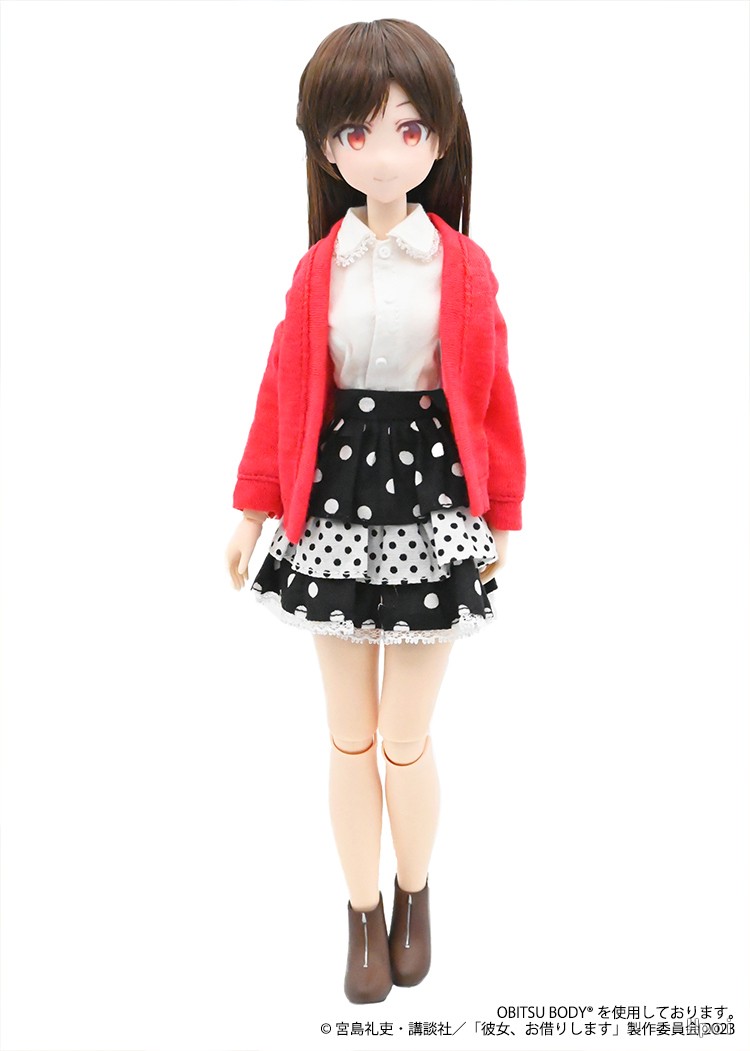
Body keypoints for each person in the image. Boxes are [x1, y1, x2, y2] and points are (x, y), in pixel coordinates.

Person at [226, 18, 525, 1003]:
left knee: (406, 735)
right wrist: (253, 509)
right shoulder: (320, 268)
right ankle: (361, 913)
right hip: (336, 502)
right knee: (349, 732)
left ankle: (415, 889)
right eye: (357, 132)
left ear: (440, 138)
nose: (384, 154)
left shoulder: (463, 265)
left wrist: (504, 512)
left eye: (408, 129)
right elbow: (283, 390)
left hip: (433, 502)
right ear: (327, 147)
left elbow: (492, 397)